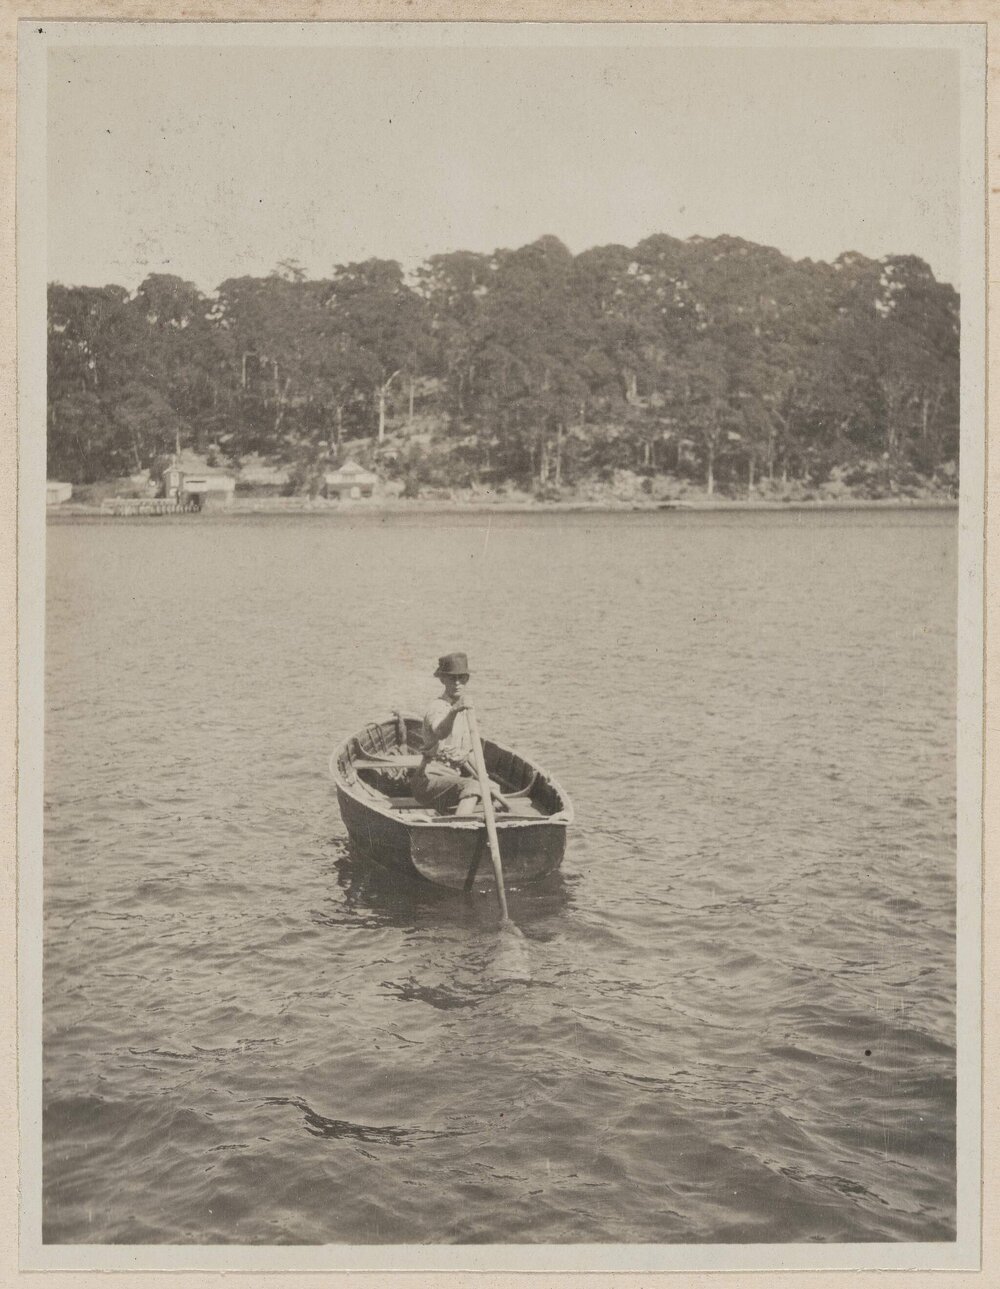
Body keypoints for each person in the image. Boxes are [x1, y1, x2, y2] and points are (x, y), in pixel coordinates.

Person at [409, 652, 507, 816]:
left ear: (467, 679)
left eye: (462, 678)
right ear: (442, 679)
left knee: (491, 788)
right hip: (428, 782)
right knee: (474, 787)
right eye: (452, 678)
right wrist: (454, 711)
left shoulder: (464, 710)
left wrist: (487, 781)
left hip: (452, 780)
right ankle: (458, 829)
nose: (457, 683)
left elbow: (467, 755)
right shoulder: (438, 707)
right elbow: (440, 732)